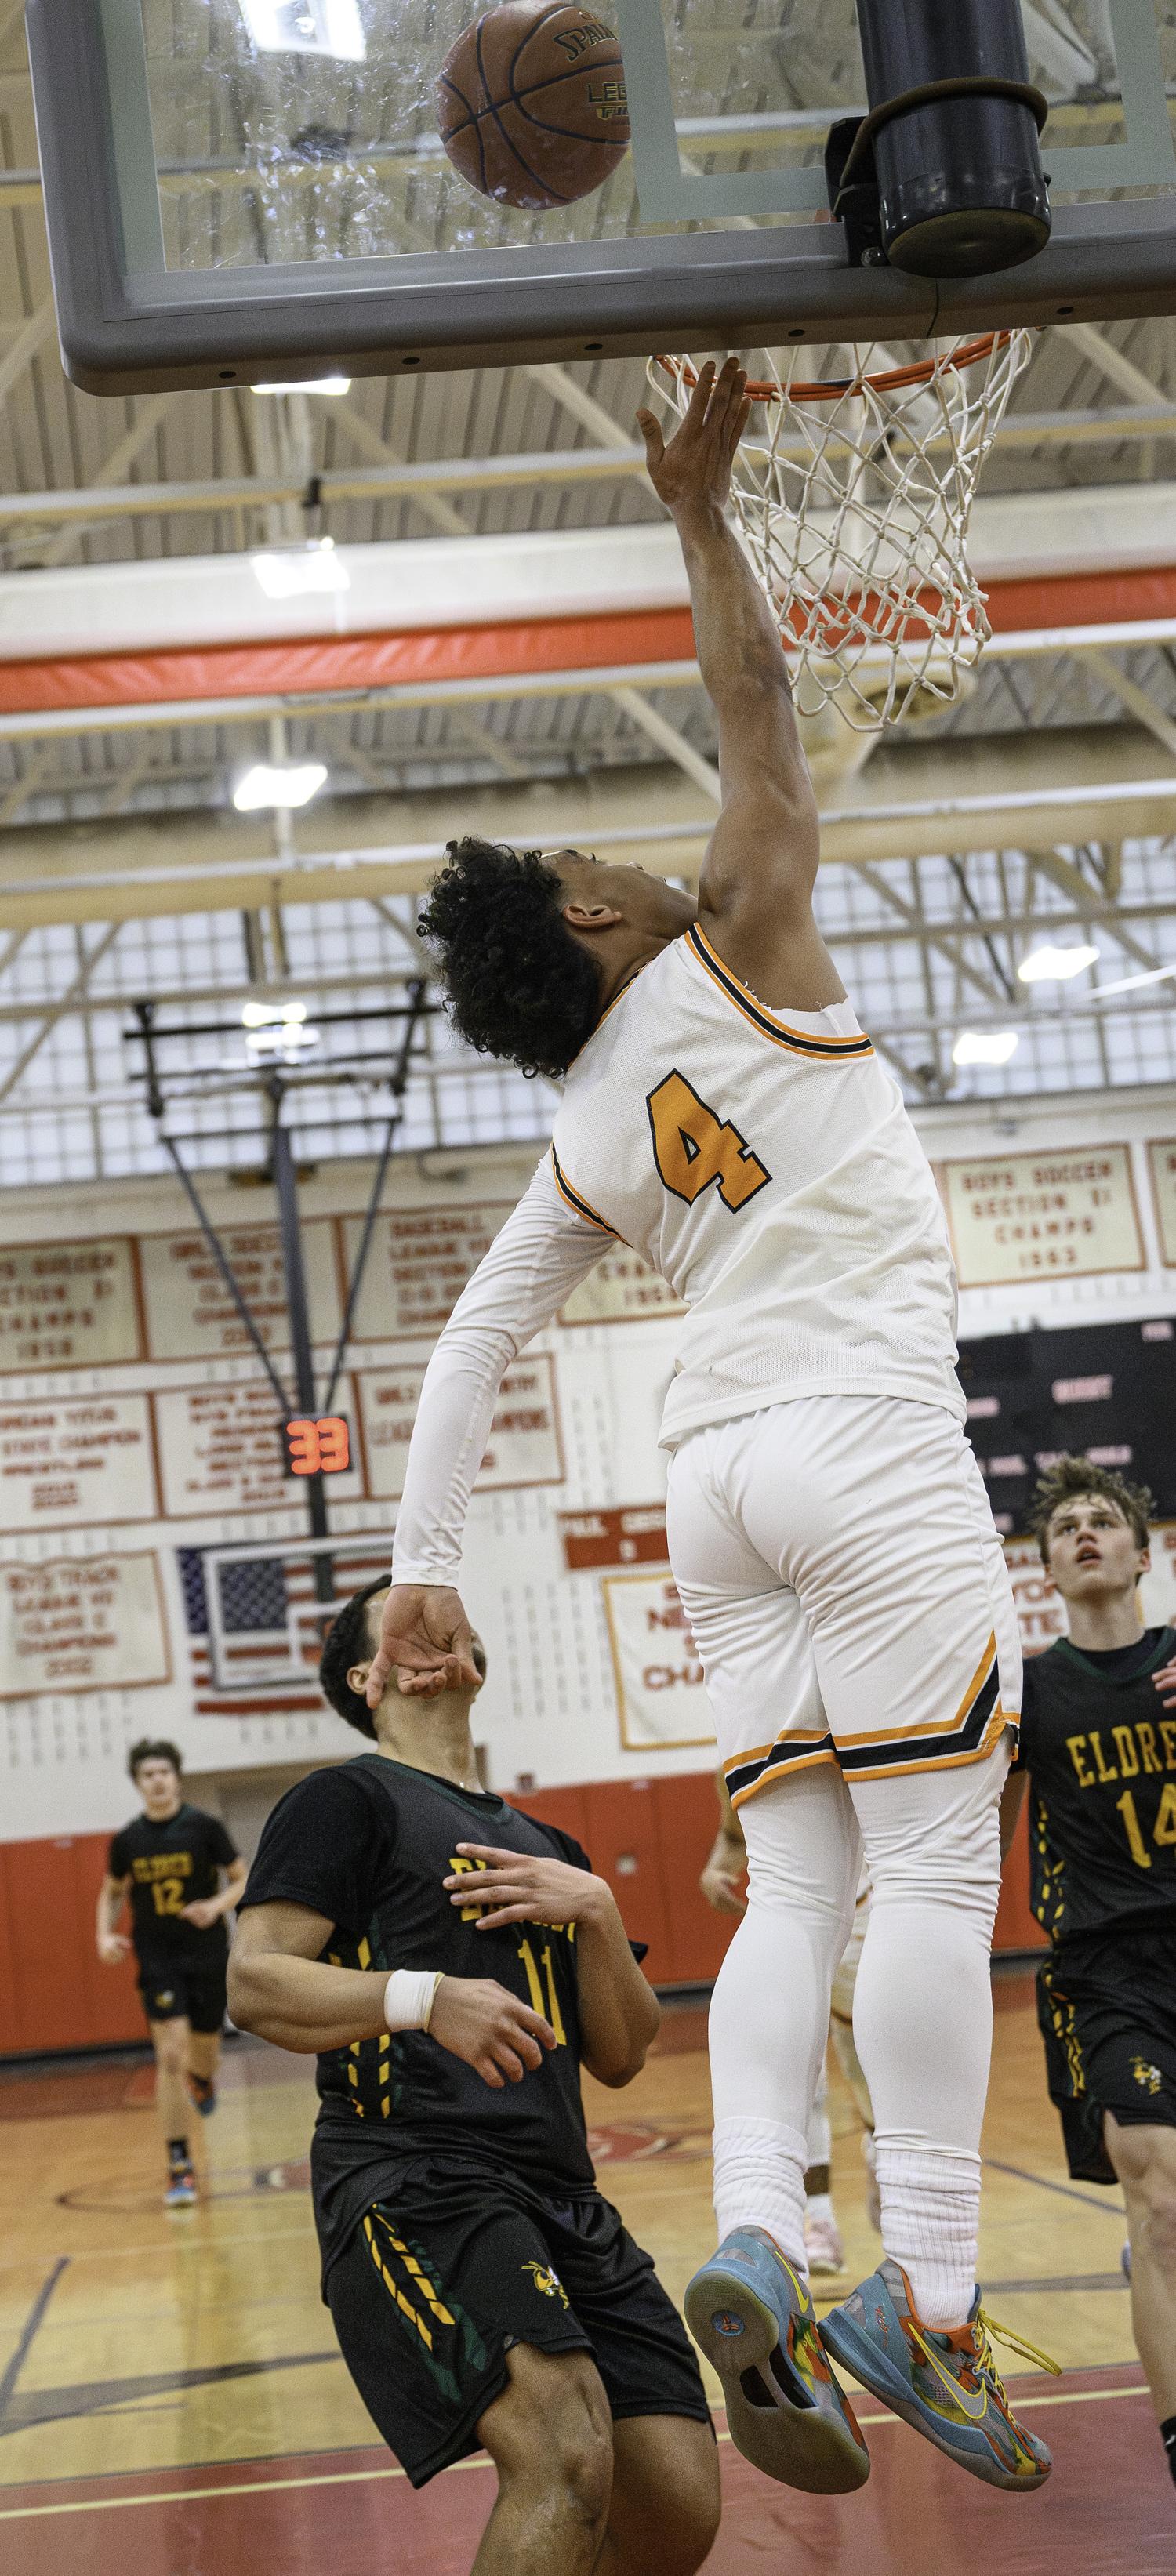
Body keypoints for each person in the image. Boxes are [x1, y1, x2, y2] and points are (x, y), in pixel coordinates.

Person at [363, 357, 1048, 2498]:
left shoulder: (582, 1127)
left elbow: (476, 1337)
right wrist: (697, 508)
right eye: (595, 851)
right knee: (938, 1854)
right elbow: (755, 696)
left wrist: (419, 1556)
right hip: (858, 1439)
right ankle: (918, 2293)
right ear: (592, 918)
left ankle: (766, 2216)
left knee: (801, 1880)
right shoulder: (741, 929)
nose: (628, 848)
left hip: (715, 1487)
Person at [227, 1583, 720, 2576]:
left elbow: (621, 2054)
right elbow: (254, 1981)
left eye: (453, 1626)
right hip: (417, 2178)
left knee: (677, 2501)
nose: (438, 1635)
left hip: (564, 2197)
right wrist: (421, 1997)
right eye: (404, 1627)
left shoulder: (555, 1848)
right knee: (566, 2451)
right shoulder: (346, 1798)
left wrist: (601, 1911)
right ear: (365, 1679)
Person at [1000, 1455, 1176, 2497]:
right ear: (1048, 1572)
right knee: (1153, 2183)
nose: (1085, 1531)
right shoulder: (1028, 1688)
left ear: (1145, 1550)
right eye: (1065, 1525)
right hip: (1104, 1967)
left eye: (1104, 1517)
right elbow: (979, 1829)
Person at [700, 1769, 880, 2261]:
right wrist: (718, 1867)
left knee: (873, 2078)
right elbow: (734, 1833)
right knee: (803, 2080)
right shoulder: (736, 1751)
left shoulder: (846, 1725)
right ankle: (816, 2221)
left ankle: (880, 2153)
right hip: (792, 1920)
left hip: (867, 1914)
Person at [97, 1738, 245, 2208]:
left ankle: (204, 2079)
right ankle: (179, 2163)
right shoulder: (127, 1841)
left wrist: (215, 1905)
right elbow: (111, 1892)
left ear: (177, 1777)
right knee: (170, 2057)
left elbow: (243, 1878)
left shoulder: (205, 1829)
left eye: (164, 1772)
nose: (157, 1780)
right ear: (138, 1784)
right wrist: (104, 1936)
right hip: (158, 1957)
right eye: (147, 1775)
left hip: (206, 1954)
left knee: (203, 2052)